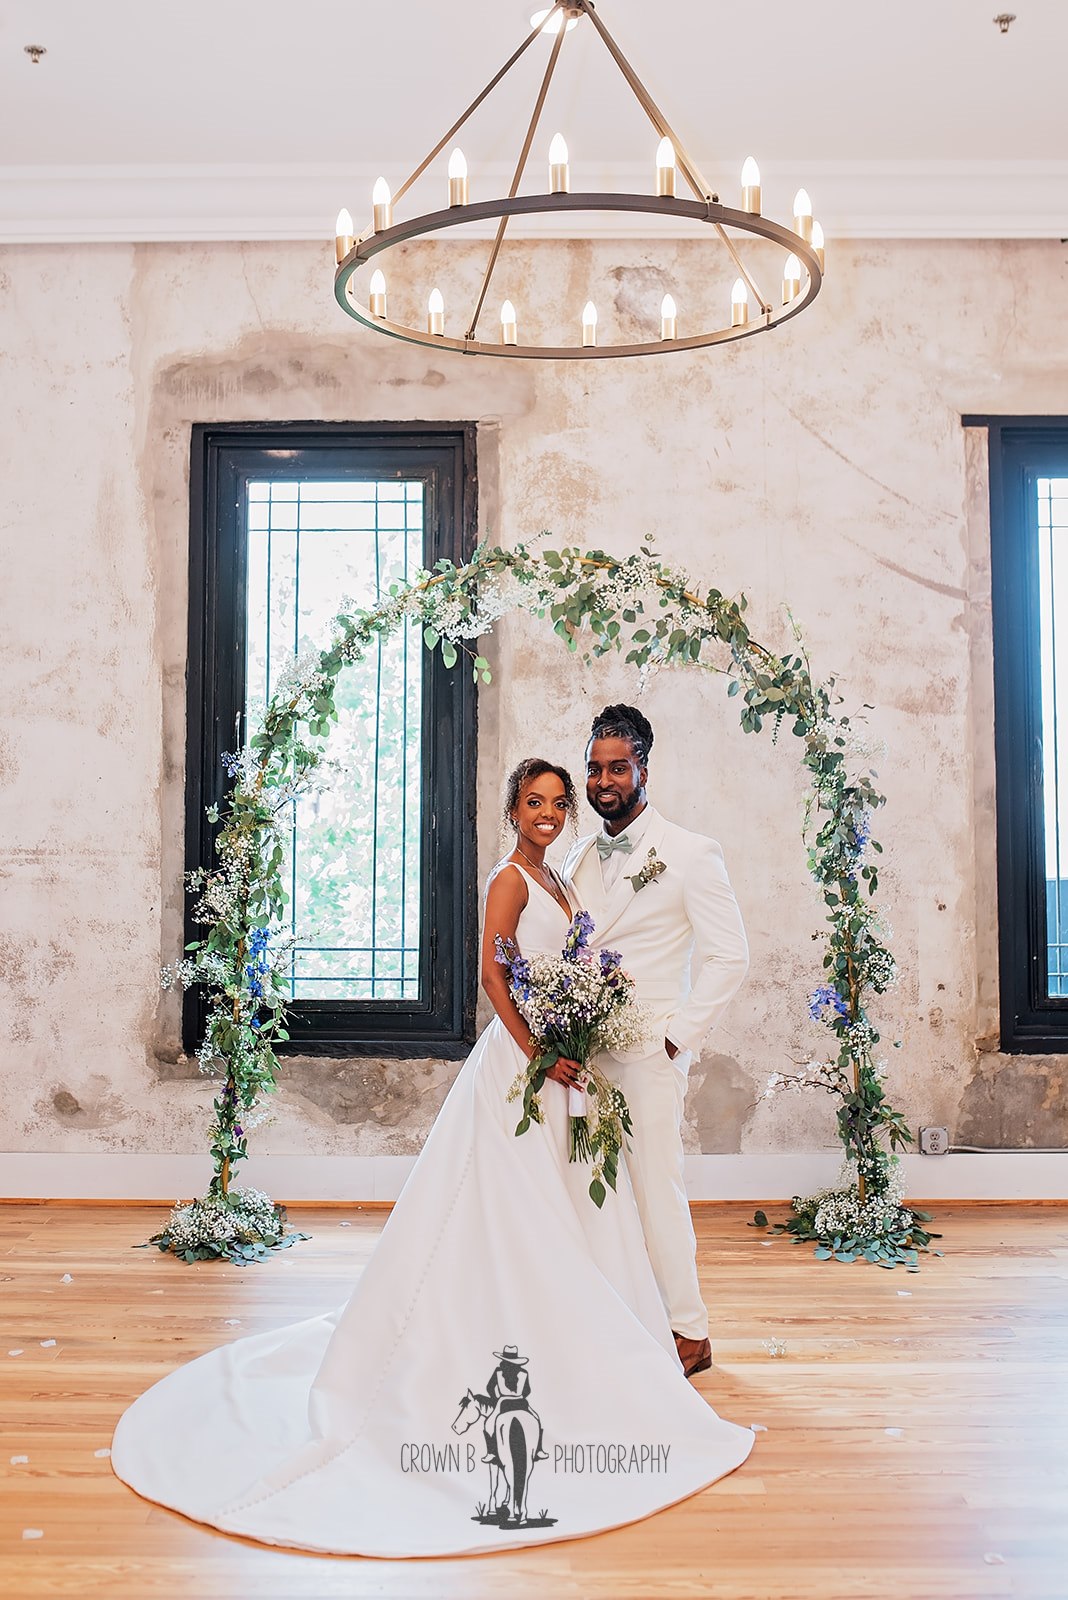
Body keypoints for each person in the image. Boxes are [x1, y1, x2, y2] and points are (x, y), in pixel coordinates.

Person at [111, 758, 753, 1558]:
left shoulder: (562, 877)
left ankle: (597, 1328)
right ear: (513, 808)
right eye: (536, 801)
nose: (550, 811)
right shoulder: (512, 879)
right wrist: (538, 1051)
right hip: (524, 1067)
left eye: (560, 800)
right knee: (506, 1205)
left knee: (567, 1207)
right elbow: (492, 969)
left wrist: (574, 1037)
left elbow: (570, 966)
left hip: (563, 1063)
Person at [562, 706, 749, 1379]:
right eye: (594, 767)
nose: (604, 779)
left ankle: (688, 1333)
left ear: (644, 768)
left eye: (617, 766)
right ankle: (611, 1313)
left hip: (647, 1052)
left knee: (654, 1186)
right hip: (585, 1053)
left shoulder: (691, 853)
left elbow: (731, 957)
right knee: (591, 1184)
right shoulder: (580, 853)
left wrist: (675, 1040)